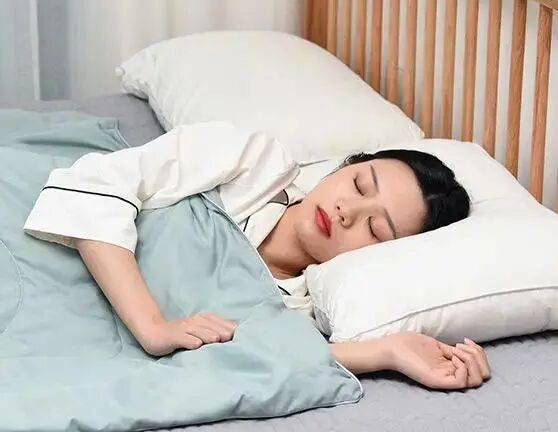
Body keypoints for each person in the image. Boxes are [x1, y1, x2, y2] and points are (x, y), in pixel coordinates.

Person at [24, 121, 490, 390]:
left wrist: (389, 350)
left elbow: (267, 357)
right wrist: (153, 326)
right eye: (359, 184)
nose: (347, 211)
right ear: (344, 166)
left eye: (375, 228)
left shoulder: (301, 307)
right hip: (26, 229)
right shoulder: (250, 162)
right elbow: (96, 185)